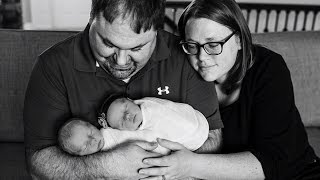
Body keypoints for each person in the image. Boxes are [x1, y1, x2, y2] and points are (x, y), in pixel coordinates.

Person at [23, 0, 223, 179]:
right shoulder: (53, 66)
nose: (121, 61)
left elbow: (213, 137)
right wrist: (107, 166)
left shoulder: (185, 56)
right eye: (108, 43)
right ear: (91, 19)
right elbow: (38, 163)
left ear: (156, 32)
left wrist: (162, 169)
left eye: (136, 49)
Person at [139, 0, 320, 179]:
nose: (202, 57)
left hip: (295, 173)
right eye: (192, 46)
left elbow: (274, 162)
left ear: (239, 40)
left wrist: (190, 165)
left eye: (212, 45)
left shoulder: (268, 68)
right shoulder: (184, 71)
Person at [58, 96, 210, 156]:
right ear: (79, 156)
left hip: (192, 131)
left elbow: (147, 137)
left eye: (90, 133)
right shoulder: (97, 161)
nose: (92, 141)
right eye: (85, 146)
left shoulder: (109, 134)